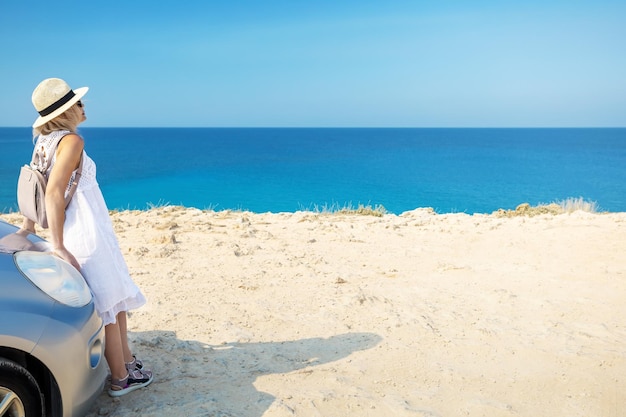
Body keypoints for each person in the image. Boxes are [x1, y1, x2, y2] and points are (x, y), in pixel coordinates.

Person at [20, 78, 153, 397]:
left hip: (87, 228)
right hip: (84, 232)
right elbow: (51, 192)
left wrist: (28, 227)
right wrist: (60, 246)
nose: (83, 106)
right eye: (77, 103)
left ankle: (128, 361)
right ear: (66, 111)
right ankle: (120, 378)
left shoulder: (44, 142)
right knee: (108, 306)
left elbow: (33, 185)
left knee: (115, 298)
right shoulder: (72, 142)